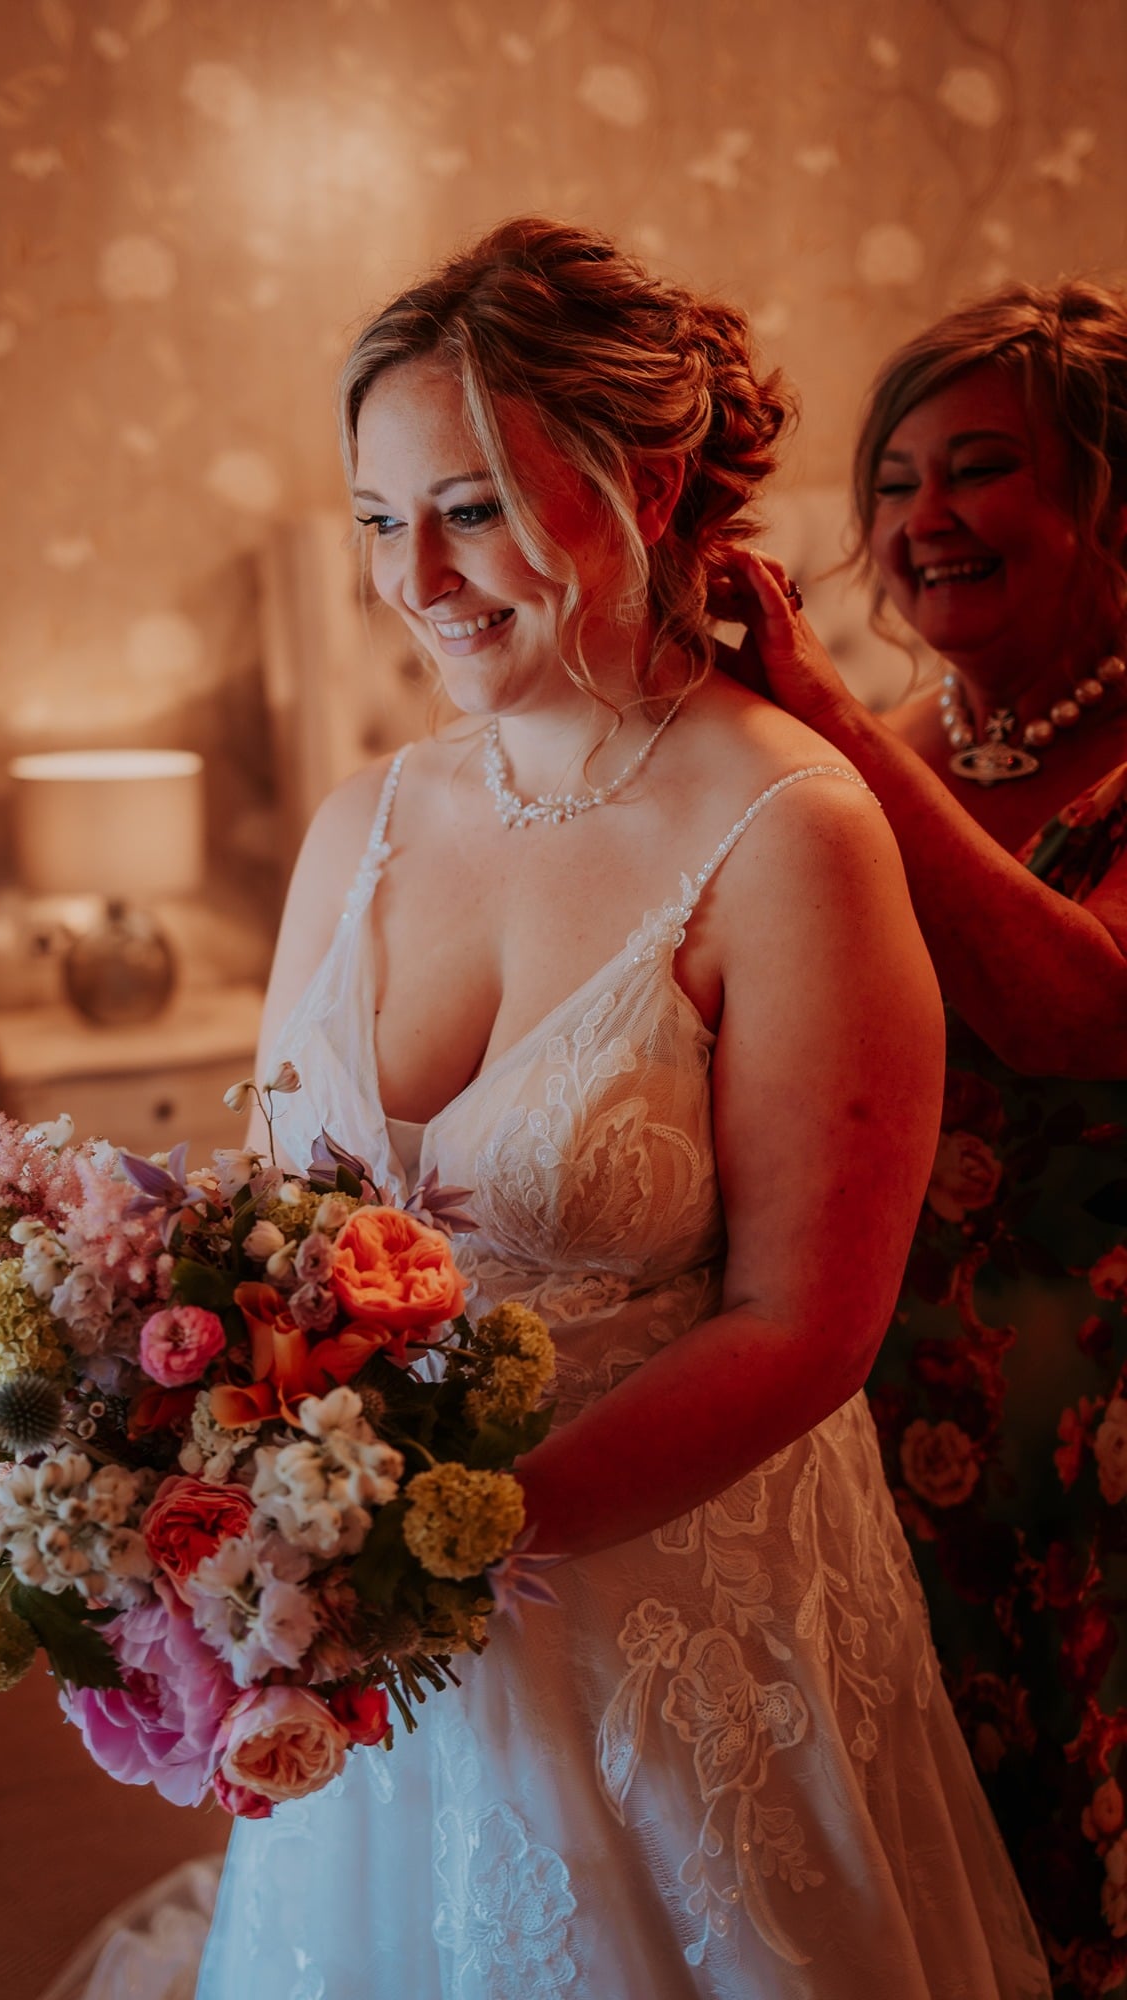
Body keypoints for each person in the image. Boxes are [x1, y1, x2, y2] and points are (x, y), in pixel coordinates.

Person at [195, 219, 1049, 1999]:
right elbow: (269, 1243)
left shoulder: (791, 833)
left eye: (473, 507)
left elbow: (805, 1326)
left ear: (644, 487)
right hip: (372, 1642)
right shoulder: (362, 825)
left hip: (680, 1633)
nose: (418, 576)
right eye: (378, 520)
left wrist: (453, 1553)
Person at [719, 279, 1127, 1996]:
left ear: (1109, 498)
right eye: (893, 482)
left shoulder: (869, 753)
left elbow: (1081, 1013)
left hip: (1087, 1426)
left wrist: (818, 718)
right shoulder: (882, 753)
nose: (923, 518)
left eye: (980, 469)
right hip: (869, 1390)